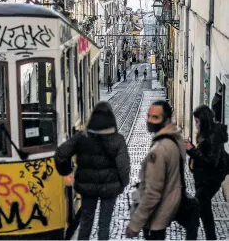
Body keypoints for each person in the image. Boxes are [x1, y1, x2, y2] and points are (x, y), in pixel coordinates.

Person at [55, 101, 130, 240]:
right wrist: (122, 184)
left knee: (86, 223)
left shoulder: (82, 137)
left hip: (87, 187)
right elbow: (124, 167)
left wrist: (66, 172)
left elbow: (61, 153)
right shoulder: (118, 140)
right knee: (104, 225)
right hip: (109, 188)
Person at [126, 100, 185, 240]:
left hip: (156, 216)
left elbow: (152, 193)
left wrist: (135, 224)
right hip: (165, 211)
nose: (149, 121)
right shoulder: (175, 139)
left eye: (155, 117)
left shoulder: (159, 150)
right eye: (148, 116)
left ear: (167, 120)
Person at [186, 105, 228, 240]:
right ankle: (211, 238)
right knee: (205, 212)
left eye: (197, 121)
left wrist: (191, 150)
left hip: (211, 179)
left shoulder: (213, 135)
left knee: (194, 209)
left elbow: (211, 161)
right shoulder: (205, 133)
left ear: (204, 121)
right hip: (203, 178)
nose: (196, 124)